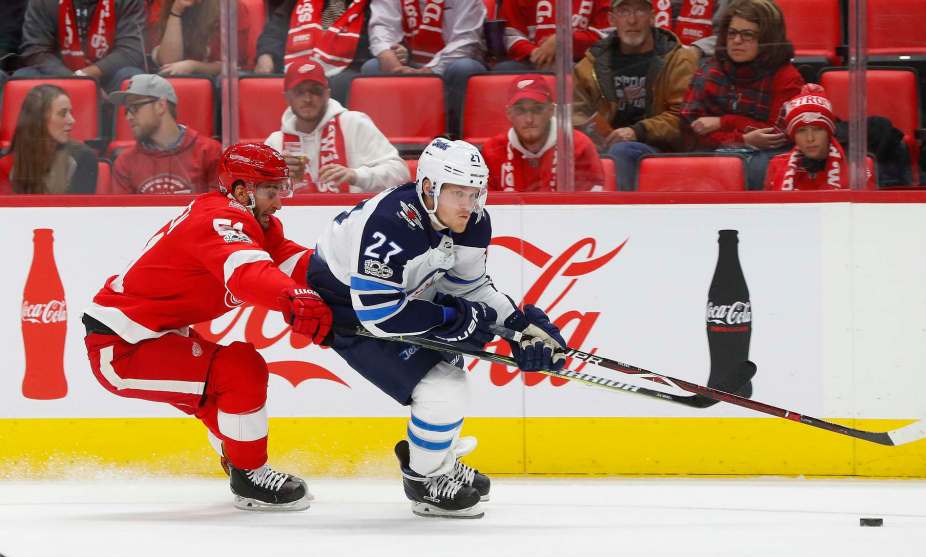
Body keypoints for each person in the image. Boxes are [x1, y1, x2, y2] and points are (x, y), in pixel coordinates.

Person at [307, 137, 569, 518]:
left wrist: (519, 326)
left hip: (406, 294)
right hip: (348, 308)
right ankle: (424, 479)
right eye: (458, 193)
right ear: (429, 188)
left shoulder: (473, 219)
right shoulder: (390, 223)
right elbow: (379, 315)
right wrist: (452, 319)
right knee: (444, 388)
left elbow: (471, 287)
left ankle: (438, 461)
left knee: (449, 367)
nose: (469, 204)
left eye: (475, 192)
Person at [81, 142, 333, 511]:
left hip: (155, 334)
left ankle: (240, 462)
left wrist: (345, 289)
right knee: (240, 368)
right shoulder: (221, 219)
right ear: (242, 190)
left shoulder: (251, 220)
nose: (279, 201)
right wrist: (295, 298)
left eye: (282, 189)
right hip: (122, 346)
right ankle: (250, 476)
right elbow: (247, 273)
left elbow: (292, 261)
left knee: (224, 388)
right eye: (270, 191)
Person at [572, 0, 699, 191]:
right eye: (624, 12)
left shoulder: (680, 59)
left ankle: (620, 212)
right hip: (605, 147)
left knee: (622, 150)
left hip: (661, 149)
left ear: (653, 17)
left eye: (640, 11)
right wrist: (592, 136)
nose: (632, 20)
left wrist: (637, 131)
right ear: (611, 19)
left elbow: (683, 118)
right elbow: (575, 113)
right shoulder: (589, 65)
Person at [679, 0, 804, 189]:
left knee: (750, 164)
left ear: (767, 38)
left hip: (766, 156)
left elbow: (776, 133)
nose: (737, 41)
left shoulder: (786, 77)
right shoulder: (710, 70)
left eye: (748, 35)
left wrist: (723, 122)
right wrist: (741, 140)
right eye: (732, 33)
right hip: (713, 153)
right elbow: (689, 128)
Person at [264, 57, 409, 193]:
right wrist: (275, 177)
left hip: (353, 216)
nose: (307, 99)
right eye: (299, 92)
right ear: (287, 98)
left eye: (315, 91)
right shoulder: (275, 142)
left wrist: (356, 175)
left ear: (327, 94)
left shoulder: (354, 123)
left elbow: (400, 173)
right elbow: (253, 194)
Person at [362, 0, 487, 133]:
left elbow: (466, 42)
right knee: (373, 68)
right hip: (408, 62)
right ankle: (389, 138)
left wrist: (429, 71)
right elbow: (382, 27)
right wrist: (391, 62)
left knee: (464, 68)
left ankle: (459, 137)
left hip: (451, 63)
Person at [482, 75, 604, 191]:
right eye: (520, 110)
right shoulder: (492, 151)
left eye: (537, 109)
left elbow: (590, 206)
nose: (529, 119)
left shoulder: (578, 146)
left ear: (551, 110)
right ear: (509, 114)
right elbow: (485, 207)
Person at [109, 74, 223, 193]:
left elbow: (220, 207)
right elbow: (124, 211)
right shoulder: (125, 163)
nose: (128, 117)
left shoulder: (209, 152)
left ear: (160, 106)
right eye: (127, 110)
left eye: (134, 108)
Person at [255, 0, 374, 106]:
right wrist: (266, 54)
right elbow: (275, 29)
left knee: (334, 85)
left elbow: (372, 43)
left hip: (346, 68)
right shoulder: (299, 3)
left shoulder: (368, 5)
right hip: (292, 64)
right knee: (253, 80)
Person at [763, 84, 874, 191]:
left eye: (817, 129)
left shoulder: (858, 167)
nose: (810, 138)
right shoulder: (777, 165)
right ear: (793, 136)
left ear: (829, 132)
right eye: (801, 131)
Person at [18, 0, 147, 92]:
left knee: (131, 76)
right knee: (23, 77)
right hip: (56, 77)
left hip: (107, 78)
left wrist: (85, 75)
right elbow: (35, 50)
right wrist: (73, 80)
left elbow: (131, 51)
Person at [0, 84, 98, 194]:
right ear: (39, 120)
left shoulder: (83, 157)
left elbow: (80, 209)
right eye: (63, 113)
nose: (72, 120)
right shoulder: (6, 163)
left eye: (70, 112)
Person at [497, 0, 611, 71]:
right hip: (532, 63)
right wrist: (536, 53)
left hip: (582, 64)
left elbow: (607, 36)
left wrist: (565, 40)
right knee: (504, 69)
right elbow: (510, 35)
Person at [151, 0, 252, 76]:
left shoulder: (230, 6)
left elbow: (231, 65)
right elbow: (169, 62)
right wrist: (176, 12)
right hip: (182, 77)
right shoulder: (171, 4)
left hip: (220, 78)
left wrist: (193, 66)